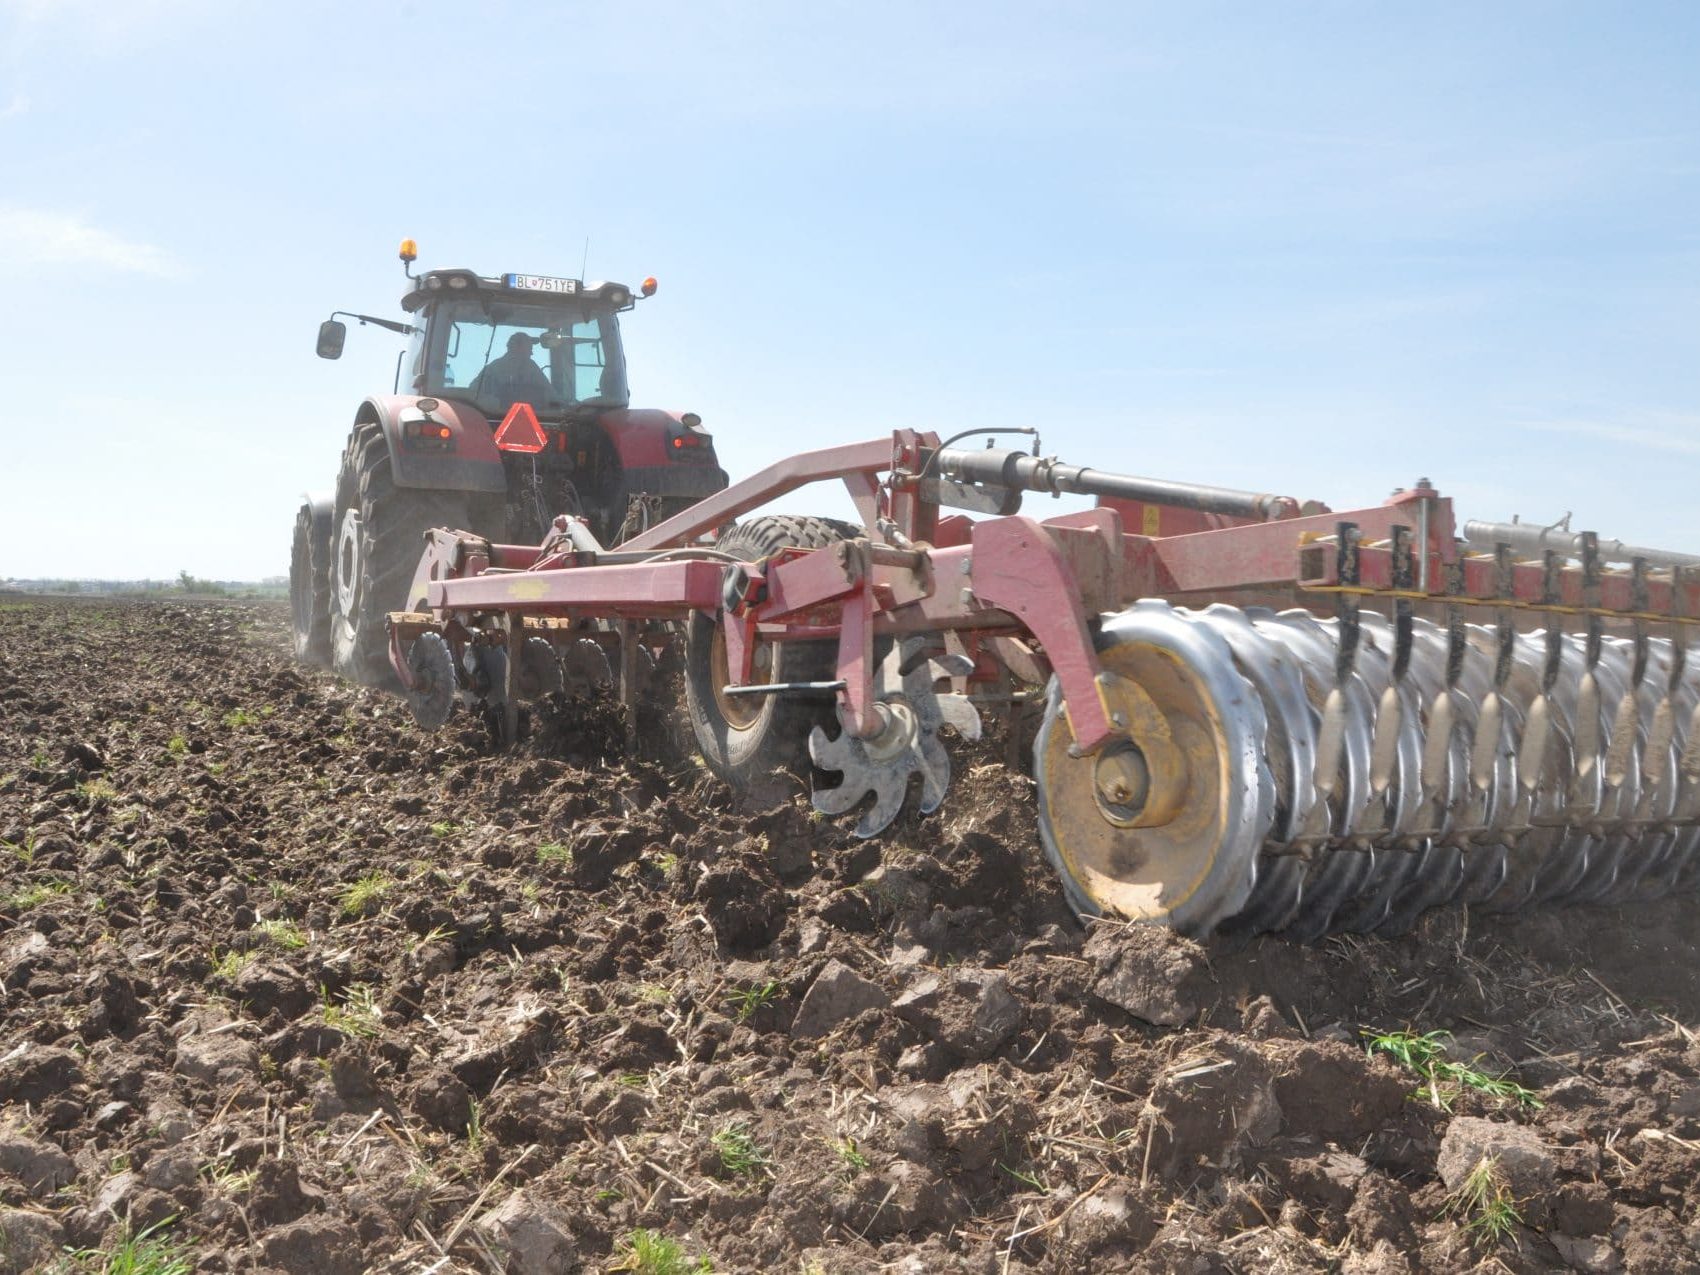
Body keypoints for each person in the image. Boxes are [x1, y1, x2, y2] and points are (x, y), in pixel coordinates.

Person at [469, 332, 553, 410]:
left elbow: (473, 393)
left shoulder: (492, 367)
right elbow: (551, 395)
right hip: (503, 416)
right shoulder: (530, 367)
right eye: (529, 348)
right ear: (516, 347)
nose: (531, 353)